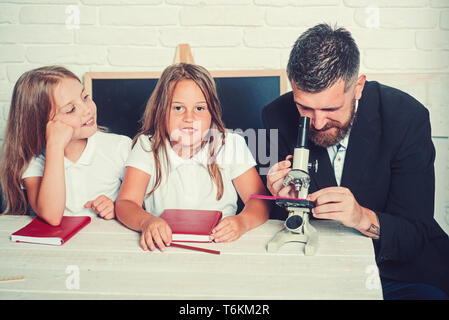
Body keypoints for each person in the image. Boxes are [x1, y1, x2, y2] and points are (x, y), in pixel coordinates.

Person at [263, 24, 449, 299]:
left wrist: (361, 217)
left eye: (331, 108)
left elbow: (415, 233)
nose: (317, 122)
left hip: (398, 273)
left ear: (358, 87)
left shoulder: (406, 118)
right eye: (305, 107)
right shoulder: (276, 116)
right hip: (315, 269)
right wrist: (279, 198)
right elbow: (274, 223)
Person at [115, 63, 269, 252]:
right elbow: (125, 203)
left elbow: (259, 200)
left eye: (199, 108)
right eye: (178, 108)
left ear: (212, 111)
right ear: (159, 110)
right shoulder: (147, 146)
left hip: (222, 245)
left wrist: (241, 222)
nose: (189, 117)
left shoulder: (230, 144)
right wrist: (146, 221)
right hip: (164, 247)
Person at [0, 66, 131, 225]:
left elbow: (142, 205)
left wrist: (117, 208)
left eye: (85, 97)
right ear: (41, 123)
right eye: (70, 110)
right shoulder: (33, 160)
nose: (87, 110)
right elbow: (52, 216)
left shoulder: (119, 147)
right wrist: (55, 146)